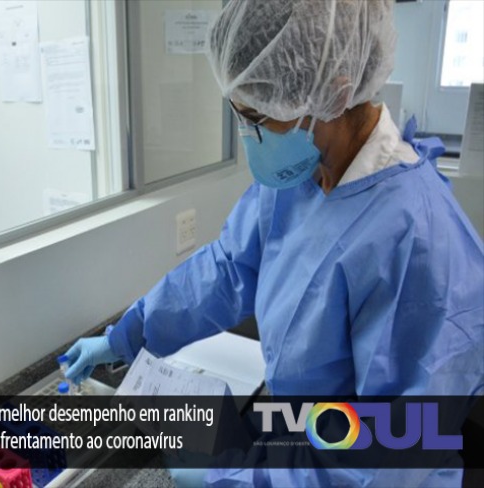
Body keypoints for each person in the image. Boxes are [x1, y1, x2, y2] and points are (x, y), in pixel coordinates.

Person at [65, 0, 484, 485]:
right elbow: (228, 269)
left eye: (259, 117)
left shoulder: (420, 240)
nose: (249, 135)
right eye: (241, 114)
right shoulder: (301, 177)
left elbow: (387, 455)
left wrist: (233, 480)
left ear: (333, 93)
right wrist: (127, 334)